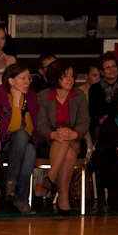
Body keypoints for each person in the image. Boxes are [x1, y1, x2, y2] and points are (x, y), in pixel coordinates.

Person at [0, 63, 40, 214]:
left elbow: (30, 130)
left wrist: (21, 104)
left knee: (29, 149)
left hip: (23, 145)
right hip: (2, 147)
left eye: (28, 78)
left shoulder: (31, 98)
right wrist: (16, 103)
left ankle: (12, 186)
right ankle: (18, 194)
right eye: (23, 78)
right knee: (21, 136)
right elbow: (12, 129)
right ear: (11, 81)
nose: (27, 82)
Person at [36, 60, 90, 215]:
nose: (70, 79)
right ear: (55, 77)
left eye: (72, 76)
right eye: (65, 76)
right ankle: (63, 198)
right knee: (68, 154)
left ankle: (51, 176)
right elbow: (41, 124)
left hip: (76, 139)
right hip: (51, 141)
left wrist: (73, 133)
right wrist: (53, 134)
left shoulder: (79, 95)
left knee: (66, 137)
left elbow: (84, 122)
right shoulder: (43, 96)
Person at [88, 52, 118, 143]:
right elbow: (93, 113)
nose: (112, 69)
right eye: (108, 67)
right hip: (101, 123)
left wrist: (110, 118)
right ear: (101, 72)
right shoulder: (94, 88)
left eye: (114, 66)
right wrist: (104, 120)